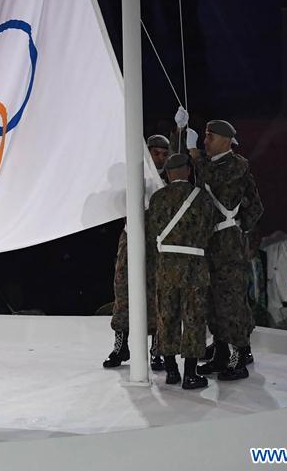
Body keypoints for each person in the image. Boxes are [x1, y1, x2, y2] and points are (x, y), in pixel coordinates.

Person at [184, 118, 263, 380]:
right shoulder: (213, 165)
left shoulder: (236, 165)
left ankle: (240, 354)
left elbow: (217, 182)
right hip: (209, 243)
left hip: (228, 247)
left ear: (227, 141)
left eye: (210, 137)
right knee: (213, 300)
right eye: (205, 137)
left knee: (232, 301)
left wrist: (239, 227)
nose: (206, 142)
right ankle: (220, 352)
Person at [148, 154, 216, 388]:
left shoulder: (157, 199)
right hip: (194, 264)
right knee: (194, 318)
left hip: (166, 264)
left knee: (167, 316)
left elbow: (152, 230)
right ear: (188, 171)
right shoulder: (202, 198)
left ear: (166, 173)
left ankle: (171, 371)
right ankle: (190, 374)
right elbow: (210, 230)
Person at [103, 136, 168, 371]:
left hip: (158, 244)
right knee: (123, 291)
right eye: (155, 153)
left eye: (164, 153)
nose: (159, 158)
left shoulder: (169, 180)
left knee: (157, 295)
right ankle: (121, 345)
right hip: (131, 238)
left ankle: (157, 350)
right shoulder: (131, 177)